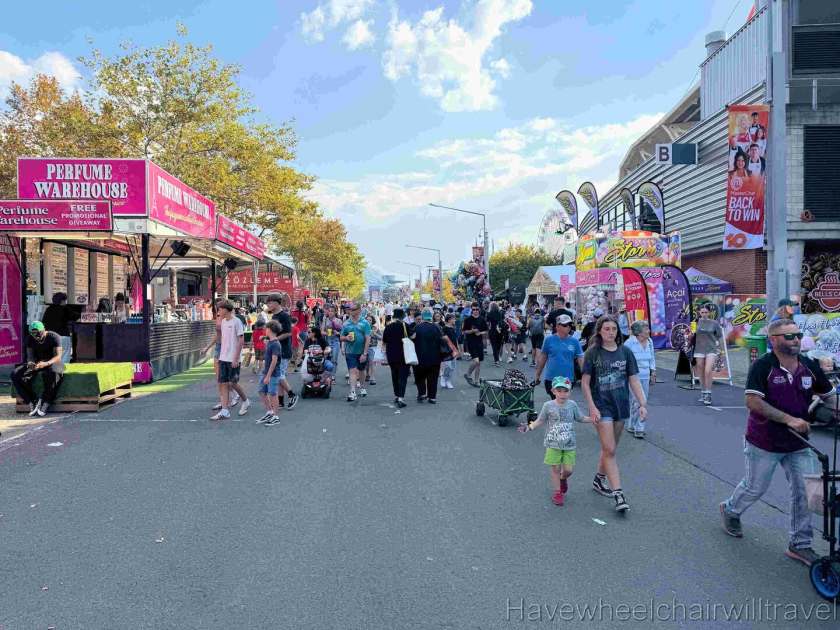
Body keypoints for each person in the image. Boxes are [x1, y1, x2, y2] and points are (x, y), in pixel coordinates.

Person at [720, 318, 838, 567]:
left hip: (798, 444)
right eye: (789, 336)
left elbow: (829, 397)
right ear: (773, 340)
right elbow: (752, 402)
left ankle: (800, 544)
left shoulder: (809, 366)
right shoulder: (763, 366)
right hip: (764, 440)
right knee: (755, 487)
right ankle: (731, 510)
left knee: (805, 493)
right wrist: (789, 419)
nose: (795, 339)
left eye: (797, 334)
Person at [581, 315, 648, 513]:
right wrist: (592, 407)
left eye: (614, 329)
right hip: (602, 406)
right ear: (600, 331)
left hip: (621, 406)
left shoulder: (625, 352)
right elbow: (585, 383)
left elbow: (634, 380)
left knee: (609, 449)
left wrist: (642, 404)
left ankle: (599, 479)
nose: (611, 332)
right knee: (609, 449)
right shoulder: (593, 353)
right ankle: (618, 494)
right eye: (607, 329)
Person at [521, 376, 586, 506]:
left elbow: (581, 418)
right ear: (553, 391)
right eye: (559, 390)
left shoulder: (572, 405)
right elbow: (540, 420)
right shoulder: (548, 405)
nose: (563, 394)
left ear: (570, 392)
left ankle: (563, 478)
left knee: (568, 470)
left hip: (569, 444)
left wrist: (593, 419)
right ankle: (557, 492)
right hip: (553, 443)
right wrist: (529, 427)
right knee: (555, 468)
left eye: (566, 391)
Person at [12, 321, 63, 417]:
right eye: (34, 334)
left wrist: (46, 363)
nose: (37, 337)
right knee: (15, 374)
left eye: (38, 334)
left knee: (55, 372)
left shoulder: (54, 337)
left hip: (52, 361)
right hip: (37, 363)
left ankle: (45, 401)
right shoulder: (30, 338)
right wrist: (31, 363)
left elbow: (58, 356)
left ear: (43, 330)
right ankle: (32, 400)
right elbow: (30, 356)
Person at [210, 300, 250, 421]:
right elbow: (221, 338)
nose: (219, 311)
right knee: (223, 383)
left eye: (220, 309)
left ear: (226, 309)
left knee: (233, 383)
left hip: (233, 358)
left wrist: (236, 358)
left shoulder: (237, 321)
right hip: (223, 357)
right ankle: (225, 410)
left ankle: (245, 400)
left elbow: (241, 341)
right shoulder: (222, 322)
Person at [412, 308, 456, 404]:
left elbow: (412, 340)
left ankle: (422, 394)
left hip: (420, 356)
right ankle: (432, 397)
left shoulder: (417, 327)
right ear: (430, 317)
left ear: (422, 317)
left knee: (420, 376)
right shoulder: (436, 327)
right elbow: (442, 340)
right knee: (433, 377)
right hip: (434, 357)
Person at [534, 314, 584, 397]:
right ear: (557, 326)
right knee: (556, 402)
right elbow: (543, 358)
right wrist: (537, 375)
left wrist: (586, 378)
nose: (568, 327)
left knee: (562, 402)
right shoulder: (549, 340)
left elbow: (581, 359)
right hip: (551, 379)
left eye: (569, 325)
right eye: (565, 325)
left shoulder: (574, 341)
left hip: (567, 379)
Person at [624, 320, 656, 439]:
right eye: (646, 329)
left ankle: (633, 424)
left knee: (642, 400)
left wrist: (653, 371)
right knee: (636, 401)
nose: (649, 331)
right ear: (639, 332)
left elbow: (652, 357)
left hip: (646, 375)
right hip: (633, 377)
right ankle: (639, 427)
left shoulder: (650, 342)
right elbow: (624, 359)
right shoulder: (629, 343)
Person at [265, 294, 298, 410]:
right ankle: (280, 401)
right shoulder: (274, 316)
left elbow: (289, 333)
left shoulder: (284, 316)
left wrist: (274, 339)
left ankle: (292, 395)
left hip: (284, 350)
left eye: (270, 302)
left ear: (276, 303)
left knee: (279, 376)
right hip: (276, 349)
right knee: (279, 376)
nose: (268, 305)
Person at [689, 304, 723, 406]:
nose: (704, 314)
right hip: (699, 349)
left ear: (709, 313)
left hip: (711, 349)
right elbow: (691, 336)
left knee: (708, 370)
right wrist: (691, 334)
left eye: (706, 312)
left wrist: (721, 350)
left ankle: (708, 393)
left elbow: (719, 336)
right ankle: (703, 391)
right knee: (700, 370)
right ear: (699, 313)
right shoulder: (695, 322)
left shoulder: (714, 323)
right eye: (702, 312)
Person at [340, 304, 371, 402]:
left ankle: (362, 387)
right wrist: (346, 338)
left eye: (353, 309)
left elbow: (368, 338)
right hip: (350, 352)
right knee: (352, 371)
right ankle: (352, 391)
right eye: (350, 310)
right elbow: (341, 337)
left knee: (361, 370)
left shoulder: (365, 323)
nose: (351, 311)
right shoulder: (346, 323)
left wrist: (365, 353)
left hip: (362, 351)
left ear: (359, 310)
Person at [256, 321, 283, 427]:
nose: (265, 330)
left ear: (270, 330)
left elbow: (274, 360)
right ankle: (269, 412)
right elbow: (266, 339)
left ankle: (276, 416)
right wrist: (264, 338)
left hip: (273, 374)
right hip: (266, 372)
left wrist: (268, 375)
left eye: (266, 329)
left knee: (272, 393)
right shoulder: (271, 342)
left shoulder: (275, 344)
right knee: (261, 391)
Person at [382, 308, 411, 408]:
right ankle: (401, 398)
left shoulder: (388, 326)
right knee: (403, 376)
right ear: (402, 316)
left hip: (391, 355)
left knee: (394, 375)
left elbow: (384, 340)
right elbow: (413, 336)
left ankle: (396, 395)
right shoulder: (405, 326)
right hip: (404, 355)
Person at [41, 292, 77, 364]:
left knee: (52, 356)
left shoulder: (49, 309)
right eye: (65, 300)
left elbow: (44, 322)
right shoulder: (65, 309)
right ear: (62, 301)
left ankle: (53, 373)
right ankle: (62, 373)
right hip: (62, 335)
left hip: (50, 337)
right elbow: (76, 317)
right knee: (64, 356)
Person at [462, 302, 488, 387]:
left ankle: (476, 381)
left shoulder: (482, 319)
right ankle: (468, 374)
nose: (475, 311)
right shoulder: (468, 319)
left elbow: (486, 331)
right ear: (471, 310)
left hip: (479, 342)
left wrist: (480, 333)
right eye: (474, 310)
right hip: (471, 342)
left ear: (479, 310)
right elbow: (464, 331)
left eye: (477, 309)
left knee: (479, 363)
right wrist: (472, 331)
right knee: (476, 361)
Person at [439, 313, 458, 390]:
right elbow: (443, 339)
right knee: (448, 366)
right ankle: (443, 378)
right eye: (453, 319)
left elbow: (455, 339)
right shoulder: (444, 328)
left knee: (453, 366)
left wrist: (458, 348)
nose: (455, 320)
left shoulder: (453, 328)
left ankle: (448, 381)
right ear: (449, 320)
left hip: (454, 349)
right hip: (447, 350)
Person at [486, 302, 506, 366]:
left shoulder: (489, 314)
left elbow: (488, 323)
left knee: (494, 346)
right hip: (500, 330)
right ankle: (497, 357)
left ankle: (496, 360)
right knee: (499, 345)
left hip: (492, 330)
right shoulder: (500, 313)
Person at [365, 313, 381, 386]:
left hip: (372, 347)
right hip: (364, 347)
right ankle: (367, 374)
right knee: (366, 363)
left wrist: (375, 333)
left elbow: (381, 338)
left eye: (370, 320)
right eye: (367, 320)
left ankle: (372, 377)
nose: (368, 321)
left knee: (372, 362)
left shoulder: (375, 328)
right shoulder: (363, 328)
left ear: (372, 321)